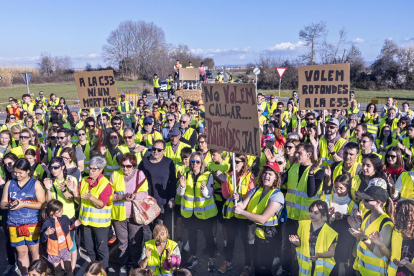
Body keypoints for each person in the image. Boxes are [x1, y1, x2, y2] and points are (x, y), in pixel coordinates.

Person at [280, 143, 325, 275]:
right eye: (296, 153)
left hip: (307, 219)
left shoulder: (319, 171)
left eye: (299, 153)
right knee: (286, 245)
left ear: (309, 154)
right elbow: (279, 182)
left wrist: (311, 173)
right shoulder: (293, 167)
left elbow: (311, 192)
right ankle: (285, 270)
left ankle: (304, 271)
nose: (296, 155)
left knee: (306, 247)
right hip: (290, 216)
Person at [233, 162, 284, 276]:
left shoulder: (277, 195)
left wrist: (241, 212)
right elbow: (243, 205)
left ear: (276, 177)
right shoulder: (255, 190)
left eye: (270, 174)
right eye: (265, 173)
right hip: (254, 234)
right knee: (256, 267)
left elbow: (263, 219)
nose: (266, 176)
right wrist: (237, 201)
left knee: (264, 269)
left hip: (268, 237)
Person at [1, 158, 45, 276]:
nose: (17, 175)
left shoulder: (35, 183)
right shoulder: (9, 184)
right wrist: (9, 205)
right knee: (21, 253)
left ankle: (38, 274)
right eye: (15, 172)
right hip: (14, 224)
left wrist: (24, 204)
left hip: (32, 224)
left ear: (28, 171)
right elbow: (2, 203)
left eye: (20, 172)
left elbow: (42, 204)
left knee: (35, 253)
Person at [69, 156, 113, 270]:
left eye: (94, 169)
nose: (91, 171)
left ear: (101, 170)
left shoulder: (105, 184)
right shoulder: (84, 180)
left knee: (101, 249)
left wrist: (91, 197)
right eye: (90, 168)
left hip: (100, 224)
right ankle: (93, 270)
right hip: (86, 222)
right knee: (89, 248)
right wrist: (74, 191)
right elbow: (79, 201)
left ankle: (103, 271)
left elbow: (101, 204)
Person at [110, 153, 152, 273]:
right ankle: (123, 265)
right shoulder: (115, 175)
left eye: (128, 166)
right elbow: (109, 196)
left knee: (135, 243)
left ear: (133, 166)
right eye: (123, 165)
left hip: (135, 215)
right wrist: (121, 196)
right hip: (119, 216)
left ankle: (135, 267)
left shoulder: (139, 174)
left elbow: (144, 192)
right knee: (122, 243)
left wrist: (135, 196)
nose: (125, 168)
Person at [177, 152, 217, 271]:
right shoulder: (185, 174)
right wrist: (182, 186)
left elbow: (209, 194)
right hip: (190, 213)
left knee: (208, 237)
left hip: (205, 213)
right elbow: (180, 193)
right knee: (192, 236)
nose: (195, 164)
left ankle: (211, 259)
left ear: (202, 163)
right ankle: (193, 258)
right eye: (193, 161)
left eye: (197, 162)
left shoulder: (208, 175)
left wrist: (204, 190)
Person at [218, 154, 255, 275]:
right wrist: (224, 182)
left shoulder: (250, 176)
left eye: (237, 161)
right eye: (232, 161)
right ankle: (228, 262)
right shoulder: (230, 175)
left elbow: (252, 197)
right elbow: (226, 196)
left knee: (246, 242)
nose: (235, 164)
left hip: (244, 215)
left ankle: (247, 266)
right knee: (230, 240)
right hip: (231, 214)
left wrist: (240, 199)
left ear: (244, 163)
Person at [348, 185, 394, 276]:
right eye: (363, 199)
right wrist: (357, 229)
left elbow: (380, 253)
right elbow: (361, 241)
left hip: (375, 273)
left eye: (367, 200)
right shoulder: (367, 214)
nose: (363, 201)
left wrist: (363, 237)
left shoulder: (387, 224)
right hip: (360, 269)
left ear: (378, 202)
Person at [289, 200, 338, 276]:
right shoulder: (303, 225)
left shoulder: (329, 232)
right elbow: (300, 245)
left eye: (316, 213)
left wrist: (319, 256)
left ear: (324, 214)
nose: (312, 214)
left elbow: (332, 253)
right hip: (305, 267)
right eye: (311, 211)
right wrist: (297, 243)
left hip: (319, 268)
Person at [324, 174, 357, 275]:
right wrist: (329, 216)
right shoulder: (326, 198)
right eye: (336, 187)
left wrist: (342, 220)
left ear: (347, 188)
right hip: (326, 239)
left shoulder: (352, 205)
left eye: (341, 188)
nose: (338, 191)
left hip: (341, 245)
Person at [138, 140, 176, 227]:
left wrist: (172, 197)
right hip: (146, 199)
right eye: (154, 149)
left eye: (159, 150)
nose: (155, 152)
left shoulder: (169, 163)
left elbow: (172, 181)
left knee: (159, 226)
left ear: (164, 151)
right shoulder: (144, 162)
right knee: (147, 227)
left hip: (161, 201)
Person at [41, 200, 80, 276]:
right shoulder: (47, 223)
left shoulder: (64, 218)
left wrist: (74, 225)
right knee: (58, 270)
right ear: (51, 212)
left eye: (61, 209)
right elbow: (42, 239)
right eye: (59, 211)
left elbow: (69, 228)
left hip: (65, 248)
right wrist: (46, 233)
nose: (62, 211)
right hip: (54, 251)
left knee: (69, 268)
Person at [0, 153, 19, 275]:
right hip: (7, 213)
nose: (8, 166)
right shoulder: (5, 177)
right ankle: (12, 263)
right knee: (9, 241)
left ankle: (28, 265)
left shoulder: (22, 176)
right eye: (6, 164)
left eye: (10, 163)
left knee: (23, 242)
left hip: (22, 214)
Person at [388, 200, 414, 276]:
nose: (394, 215)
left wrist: (407, 263)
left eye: (397, 212)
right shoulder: (396, 231)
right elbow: (391, 254)